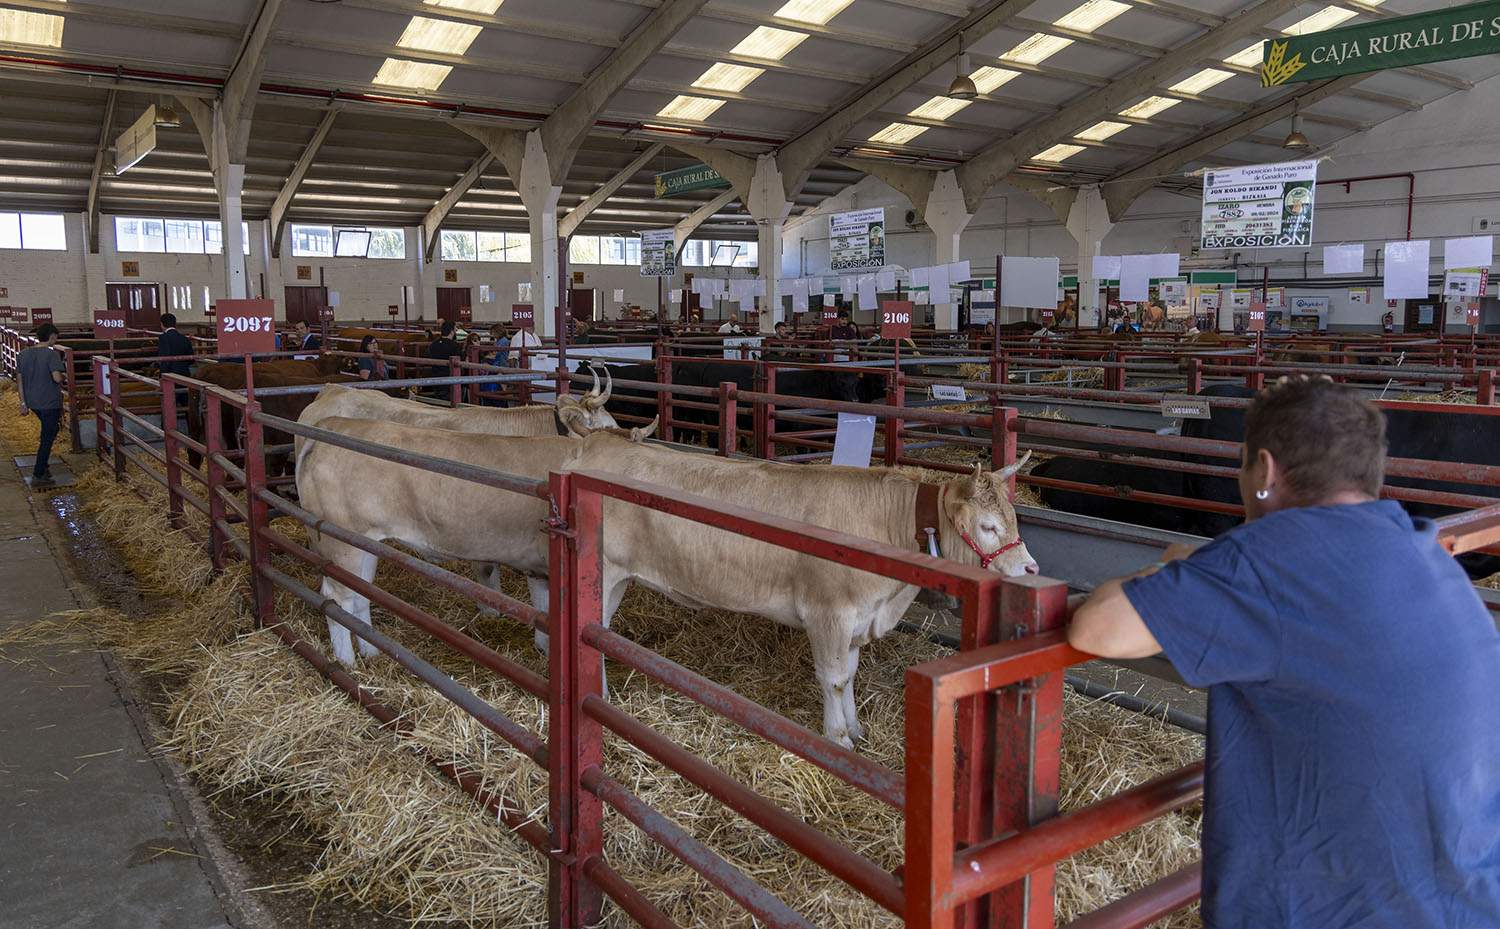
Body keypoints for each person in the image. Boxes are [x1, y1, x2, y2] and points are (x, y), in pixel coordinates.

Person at [1067, 376, 1500, 929]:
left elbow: (1096, 628)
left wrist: (1174, 570)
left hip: (1349, 910)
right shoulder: (1422, 547)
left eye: (1243, 466)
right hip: (1469, 898)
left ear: (1266, 472)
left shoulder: (1269, 560)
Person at [17, 323, 66, 487]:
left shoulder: (23, 354)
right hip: (49, 402)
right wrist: (64, 375)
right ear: (52, 336)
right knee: (47, 436)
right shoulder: (51, 355)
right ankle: (39, 473)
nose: (56, 340)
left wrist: (23, 402)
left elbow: (19, 380)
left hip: (33, 402)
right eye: (55, 337)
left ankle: (43, 466)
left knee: (50, 431)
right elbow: (57, 378)